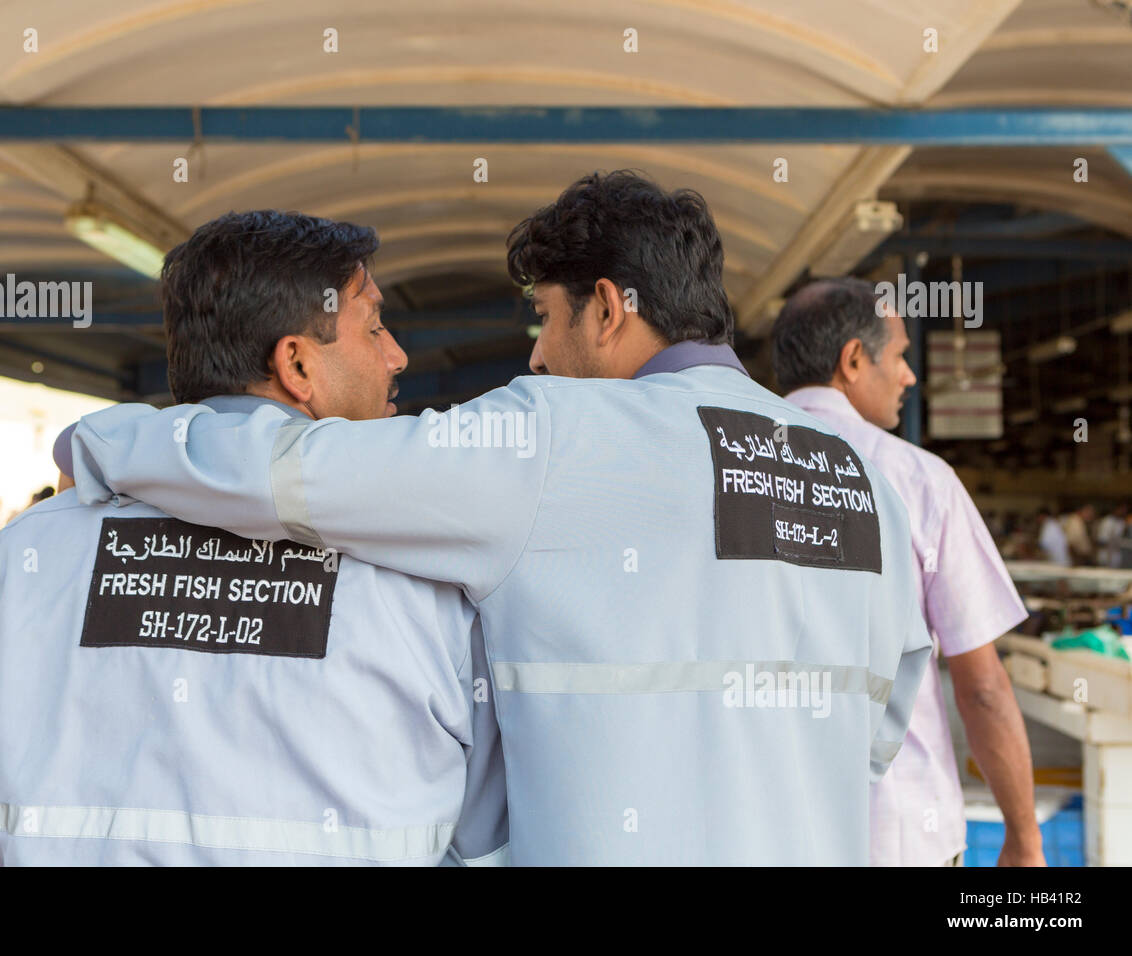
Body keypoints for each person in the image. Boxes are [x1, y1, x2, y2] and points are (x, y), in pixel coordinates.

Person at [71, 171, 932, 865]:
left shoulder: (555, 438)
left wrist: (111, 443)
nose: (535, 351)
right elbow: (878, 733)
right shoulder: (862, 478)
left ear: (608, 307)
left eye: (545, 317)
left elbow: (291, 473)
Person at [0, 211, 505, 866]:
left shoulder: (29, 555)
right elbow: (484, 841)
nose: (398, 355)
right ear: (297, 365)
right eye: (376, 326)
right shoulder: (429, 577)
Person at [771, 277, 1043, 867]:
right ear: (852, 359)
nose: (909, 377)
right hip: (896, 831)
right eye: (897, 356)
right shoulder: (918, 479)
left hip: (764, 826)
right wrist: (1024, 839)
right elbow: (983, 687)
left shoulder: (729, 471)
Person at [1096, 504, 1128, 568]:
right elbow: (1101, 540)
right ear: (1116, 509)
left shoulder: (1122, 522)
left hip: (1116, 555)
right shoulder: (1106, 521)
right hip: (1105, 554)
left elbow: (1123, 537)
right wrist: (1112, 543)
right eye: (1121, 510)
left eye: (1125, 510)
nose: (1123, 512)